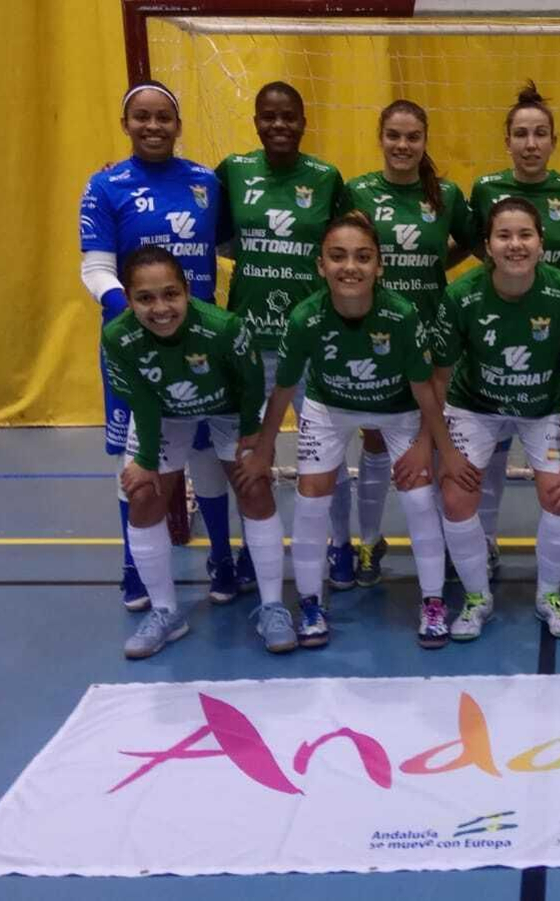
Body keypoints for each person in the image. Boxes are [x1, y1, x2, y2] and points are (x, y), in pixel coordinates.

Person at [238, 212, 460, 649]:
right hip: (330, 407)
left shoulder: (400, 315)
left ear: (379, 266)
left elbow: (425, 389)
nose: (350, 266)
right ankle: (310, 603)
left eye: (362, 257)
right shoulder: (305, 318)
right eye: (337, 257)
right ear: (320, 265)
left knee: (418, 496)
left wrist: (436, 448)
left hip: (397, 410)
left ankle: (433, 602)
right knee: (311, 496)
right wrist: (264, 448)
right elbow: (283, 388)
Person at [79, 81, 243, 610]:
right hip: (138, 347)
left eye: (164, 117)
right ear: (125, 124)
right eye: (142, 117)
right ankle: (134, 567)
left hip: (201, 349)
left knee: (205, 452)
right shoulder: (105, 186)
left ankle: (222, 556)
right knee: (136, 458)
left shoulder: (204, 182)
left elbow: (229, 244)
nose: (153, 126)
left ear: (178, 124)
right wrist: (141, 317)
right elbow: (96, 267)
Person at [103, 247, 288, 659]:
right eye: (145, 298)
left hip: (228, 408)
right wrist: (147, 460)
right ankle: (167, 613)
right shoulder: (117, 337)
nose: (161, 308)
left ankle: (273, 606)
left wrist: (253, 438)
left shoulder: (224, 327)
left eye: (171, 294)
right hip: (165, 413)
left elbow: (252, 381)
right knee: (143, 494)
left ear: (188, 292)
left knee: (254, 485)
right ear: (129, 300)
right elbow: (142, 401)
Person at [431, 198, 560, 642]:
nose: (515, 244)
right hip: (475, 404)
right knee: (457, 496)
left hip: (544, 405)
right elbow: (439, 381)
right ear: (486, 247)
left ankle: (548, 595)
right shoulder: (461, 296)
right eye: (504, 236)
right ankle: (477, 598)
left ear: (542, 244)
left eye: (525, 235)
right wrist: (439, 449)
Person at [215, 80, 349, 591]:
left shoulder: (325, 177)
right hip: (250, 343)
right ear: (255, 121)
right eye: (268, 116)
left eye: (288, 116)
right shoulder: (234, 171)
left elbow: (343, 249)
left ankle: (340, 547)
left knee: (326, 455)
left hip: (313, 344)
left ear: (303, 121)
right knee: (248, 452)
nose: (279, 125)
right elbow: (219, 235)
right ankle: (254, 547)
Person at [342, 100, 475, 590]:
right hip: (375, 337)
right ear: (380, 136)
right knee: (376, 439)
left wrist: (439, 262)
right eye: (394, 135)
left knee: (439, 438)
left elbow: (476, 243)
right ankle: (371, 541)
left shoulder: (446, 195)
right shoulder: (357, 192)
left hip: (434, 336)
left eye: (413, 137)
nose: (403, 145)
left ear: (425, 141)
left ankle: (447, 541)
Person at [469, 82, 560, 571]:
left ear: (554, 141)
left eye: (541, 133)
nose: (531, 143)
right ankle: (487, 540)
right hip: (499, 332)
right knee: (493, 442)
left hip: (554, 335)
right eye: (521, 134)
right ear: (507, 141)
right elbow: (476, 253)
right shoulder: (485, 190)